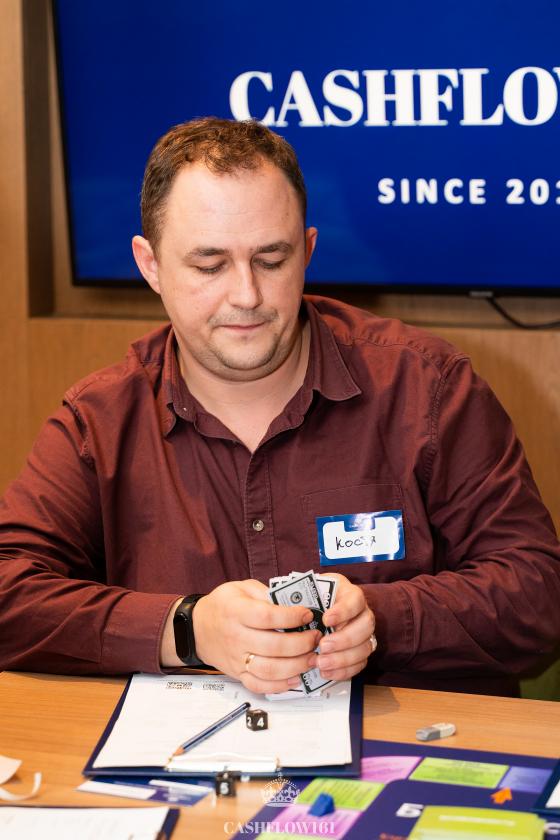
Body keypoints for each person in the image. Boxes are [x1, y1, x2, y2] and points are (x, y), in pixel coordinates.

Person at [1, 118, 559, 697]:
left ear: (308, 251)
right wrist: (186, 629)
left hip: (411, 739)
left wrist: (378, 619)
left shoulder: (427, 388)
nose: (246, 295)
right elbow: (10, 592)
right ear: (151, 266)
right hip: (187, 748)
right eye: (209, 265)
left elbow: (538, 594)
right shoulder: (100, 420)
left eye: (271, 260)